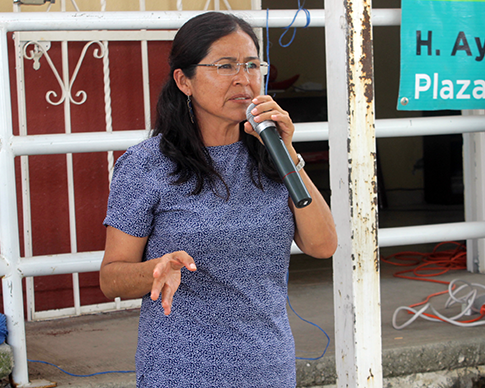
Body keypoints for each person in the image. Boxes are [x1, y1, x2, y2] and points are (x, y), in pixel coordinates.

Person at [99, 12, 337, 388]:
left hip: (268, 367)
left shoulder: (271, 156)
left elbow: (323, 245)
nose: (244, 79)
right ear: (184, 80)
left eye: (252, 65)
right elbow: (112, 278)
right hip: (180, 371)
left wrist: (287, 152)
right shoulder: (146, 165)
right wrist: (156, 269)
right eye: (225, 66)